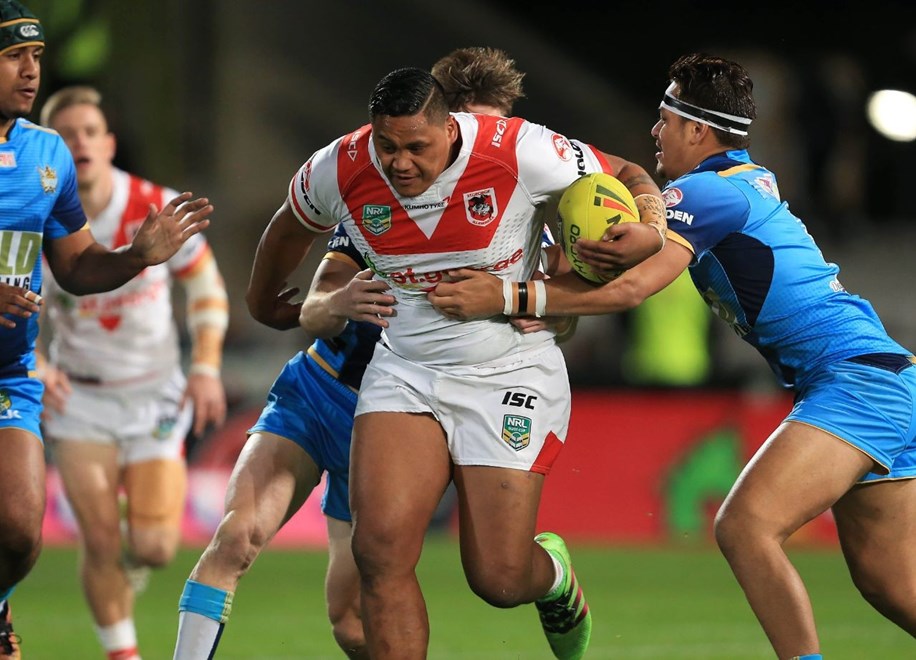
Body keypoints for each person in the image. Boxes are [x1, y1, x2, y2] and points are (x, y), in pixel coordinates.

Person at [427, 52, 916, 660]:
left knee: (745, 527)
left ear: (697, 129)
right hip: (881, 378)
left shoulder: (704, 192)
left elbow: (631, 287)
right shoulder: (739, 182)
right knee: (891, 584)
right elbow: (616, 261)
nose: (656, 130)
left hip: (854, 381)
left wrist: (507, 295)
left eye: (666, 117)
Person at [172, 48, 610, 660]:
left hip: (480, 384)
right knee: (317, 552)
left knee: (481, 583)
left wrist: (534, 301)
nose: (492, 141)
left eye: (500, 127)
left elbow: (571, 300)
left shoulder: (525, 193)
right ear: (445, 118)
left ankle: (549, 577)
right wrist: (296, 306)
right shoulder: (370, 189)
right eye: (395, 146)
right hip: (345, 385)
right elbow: (317, 279)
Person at [281, 67, 663, 659]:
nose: (401, 163)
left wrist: (647, 231)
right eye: (391, 147)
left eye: (416, 147)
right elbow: (299, 239)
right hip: (404, 373)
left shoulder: (523, 160)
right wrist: (284, 306)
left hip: (506, 373)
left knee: (500, 579)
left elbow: (626, 183)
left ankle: (554, 578)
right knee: (378, 553)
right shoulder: (354, 173)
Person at [0, 1, 213, 658]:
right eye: (13, 56)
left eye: (36, 56)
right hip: (77, 391)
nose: (31, 71)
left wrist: (134, 257)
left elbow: (76, 266)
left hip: (10, 376)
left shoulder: (46, 153)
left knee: (19, 533)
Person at [36, 85, 229, 660]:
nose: (80, 143)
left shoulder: (153, 205)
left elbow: (206, 287)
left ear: (110, 143)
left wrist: (205, 367)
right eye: (66, 135)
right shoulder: (32, 215)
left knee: (154, 547)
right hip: (80, 397)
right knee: (98, 540)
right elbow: (17, 299)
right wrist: (36, 362)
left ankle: (133, 549)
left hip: (154, 396)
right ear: (51, 149)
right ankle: (123, 653)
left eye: (90, 132)